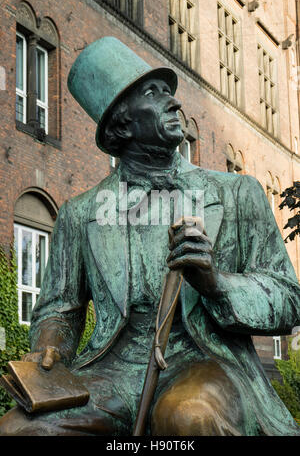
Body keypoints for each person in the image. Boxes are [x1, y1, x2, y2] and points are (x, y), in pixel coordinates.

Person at [0, 37, 299, 436]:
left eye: (170, 92)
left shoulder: (238, 194)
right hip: (112, 373)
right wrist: (50, 343)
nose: (174, 102)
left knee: (188, 416)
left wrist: (216, 284)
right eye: (153, 93)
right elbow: (60, 308)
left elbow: (289, 298)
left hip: (204, 363)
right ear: (122, 123)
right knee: (20, 429)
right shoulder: (80, 213)